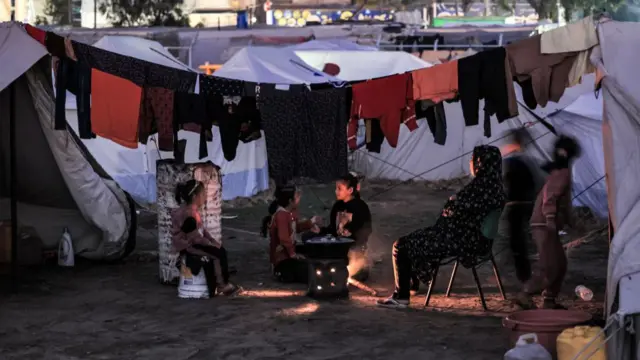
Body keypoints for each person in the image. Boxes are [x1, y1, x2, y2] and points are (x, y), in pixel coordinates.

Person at [377, 145, 506, 308]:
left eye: (472, 159)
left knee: (401, 245)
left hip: (462, 240)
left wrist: (453, 202)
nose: (470, 162)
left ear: (481, 163)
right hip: (478, 240)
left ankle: (401, 296)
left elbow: (456, 211)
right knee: (419, 238)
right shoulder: (495, 187)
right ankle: (411, 285)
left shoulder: (480, 188)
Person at [515, 135, 581, 310]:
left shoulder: (561, 172)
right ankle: (525, 295)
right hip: (544, 225)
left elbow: (563, 202)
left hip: (547, 224)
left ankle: (549, 300)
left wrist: (571, 222)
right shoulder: (561, 174)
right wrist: (551, 219)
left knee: (560, 264)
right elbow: (549, 198)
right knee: (549, 265)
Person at [171, 179, 239, 296]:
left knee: (219, 249)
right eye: (203, 194)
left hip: (194, 243)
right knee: (218, 254)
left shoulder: (193, 211)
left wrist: (212, 241)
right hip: (189, 246)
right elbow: (195, 237)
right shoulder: (188, 214)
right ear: (195, 196)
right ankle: (222, 285)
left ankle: (222, 283)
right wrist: (209, 244)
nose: (204, 197)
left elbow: (203, 231)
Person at [500, 128, 543, 285]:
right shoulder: (528, 160)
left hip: (516, 205)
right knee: (521, 240)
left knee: (516, 241)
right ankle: (525, 273)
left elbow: (505, 184)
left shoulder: (512, 160)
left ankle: (524, 276)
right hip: (527, 203)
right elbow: (537, 182)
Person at [261, 185, 321, 283]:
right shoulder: (281, 215)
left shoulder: (290, 213)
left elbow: (295, 228)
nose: (299, 198)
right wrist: (293, 254)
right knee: (309, 272)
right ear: (290, 201)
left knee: (312, 252)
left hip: (289, 252)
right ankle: (280, 272)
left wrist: (310, 223)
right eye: (297, 196)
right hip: (283, 258)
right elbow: (284, 238)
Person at [321, 173, 373, 281]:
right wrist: (321, 231)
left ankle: (360, 269)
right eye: (336, 188)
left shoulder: (360, 207)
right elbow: (333, 228)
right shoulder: (337, 206)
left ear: (350, 190)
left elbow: (366, 229)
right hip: (338, 245)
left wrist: (352, 233)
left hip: (354, 248)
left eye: (339, 188)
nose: (336, 191)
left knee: (355, 269)